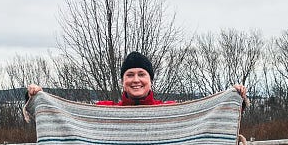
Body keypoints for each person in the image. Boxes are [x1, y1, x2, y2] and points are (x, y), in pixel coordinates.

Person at [27, 51, 248, 107]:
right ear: (122, 80)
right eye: (129, 75)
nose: (136, 80)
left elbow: (208, 116)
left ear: (150, 79)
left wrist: (235, 98)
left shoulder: (169, 110)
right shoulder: (105, 110)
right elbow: (66, 116)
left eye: (142, 74)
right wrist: (35, 97)